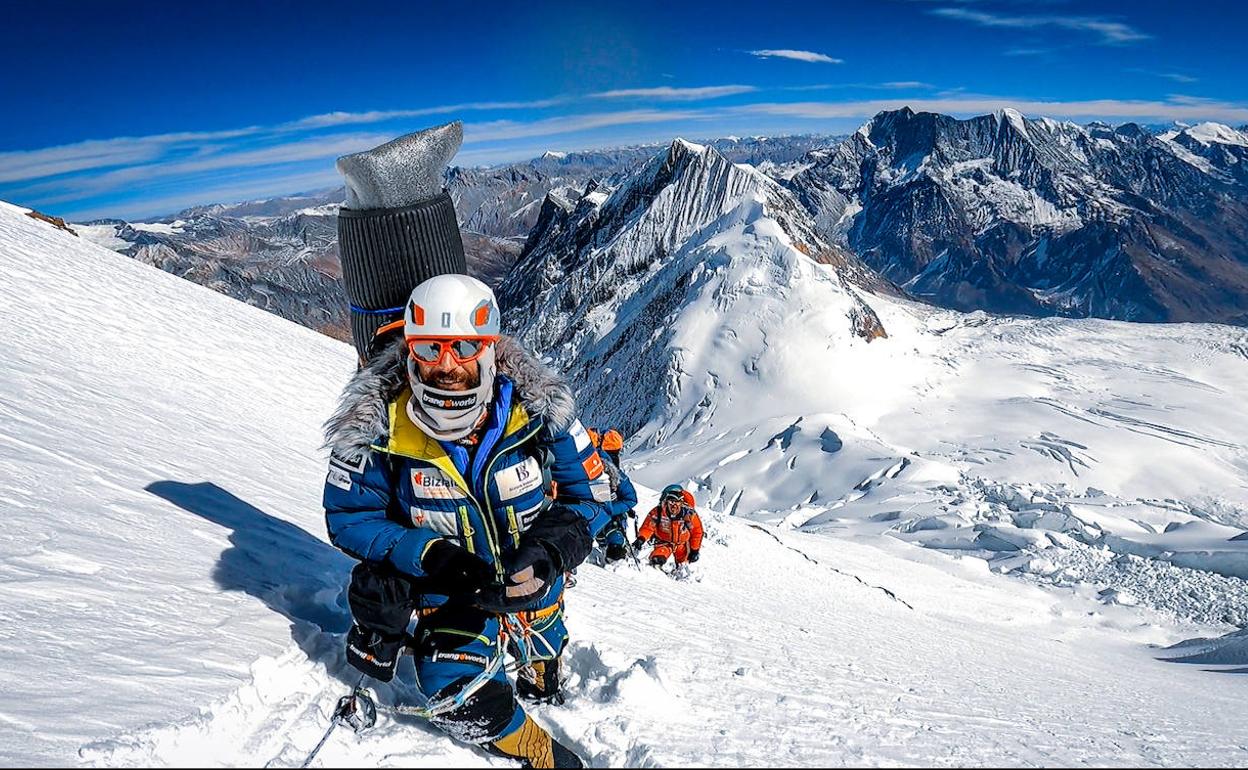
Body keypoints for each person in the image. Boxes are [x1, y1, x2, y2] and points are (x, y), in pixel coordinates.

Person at [322, 273, 612, 769]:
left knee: (544, 638)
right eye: (430, 349)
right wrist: (426, 554)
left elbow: (595, 493)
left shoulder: (542, 414)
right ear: (411, 351)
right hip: (448, 594)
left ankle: (542, 674)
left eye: (462, 347)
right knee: (453, 690)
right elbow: (350, 517)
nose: (446, 364)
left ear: (490, 350)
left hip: (532, 583)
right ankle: (540, 753)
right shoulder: (378, 431)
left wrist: (551, 548)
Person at [634, 485, 704, 568]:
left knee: (684, 566)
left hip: (683, 545)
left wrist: (694, 550)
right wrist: (641, 538)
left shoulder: (689, 515)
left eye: (677, 502)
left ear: (681, 503)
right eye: (671, 502)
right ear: (667, 502)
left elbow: (697, 532)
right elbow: (648, 527)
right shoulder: (658, 512)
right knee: (657, 560)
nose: (674, 505)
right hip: (663, 543)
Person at [598, 462, 638, 562]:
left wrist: (609, 510)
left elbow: (630, 499)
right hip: (598, 512)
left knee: (613, 537)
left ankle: (614, 551)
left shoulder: (617, 476)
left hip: (612, 516)